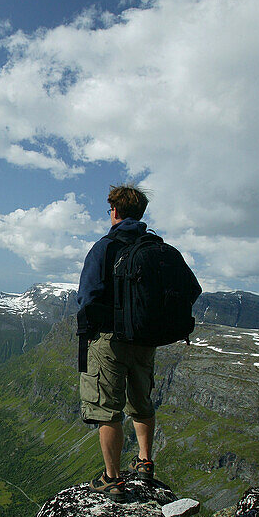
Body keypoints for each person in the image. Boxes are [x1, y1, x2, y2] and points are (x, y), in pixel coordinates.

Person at [76, 184, 157, 497]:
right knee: (141, 399)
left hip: (110, 339)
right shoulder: (153, 247)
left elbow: (87, 295)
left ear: (115, 211)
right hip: (145, 338)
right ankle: (145, 462)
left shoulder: (105, 246)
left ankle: (112, 478)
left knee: (107, 407)